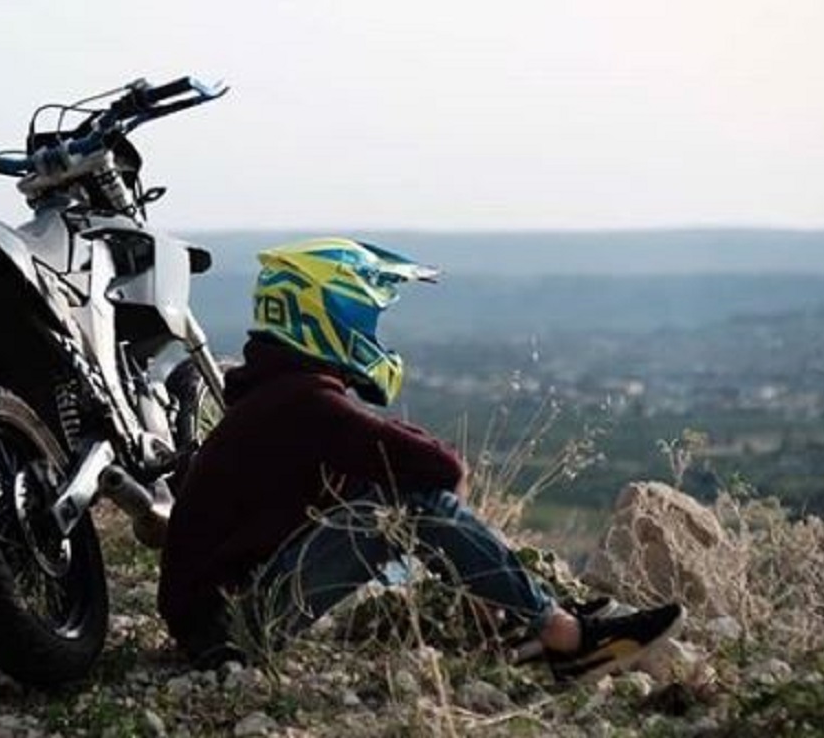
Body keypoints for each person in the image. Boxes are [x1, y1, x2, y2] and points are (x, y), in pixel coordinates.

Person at [157, 238, 682, 683]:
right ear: (328, 315)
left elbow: (395, 459)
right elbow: (440, 467)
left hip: (223, 620)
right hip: (235, 630)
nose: (372, 330)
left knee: (390, 496)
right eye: (364, 314)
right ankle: (564, 637)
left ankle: (520, 621)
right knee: (401, 507)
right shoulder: (303, 403)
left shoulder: (281, 395)